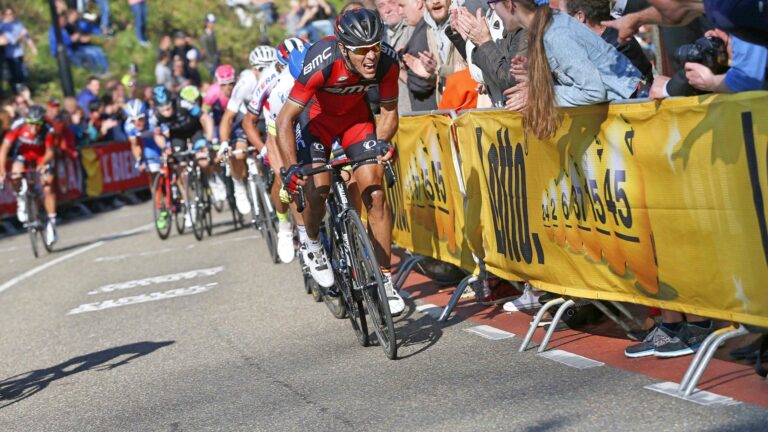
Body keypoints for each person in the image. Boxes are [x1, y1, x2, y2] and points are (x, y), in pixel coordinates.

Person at [276, 8, 405, 315]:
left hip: (354, 122)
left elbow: (389, 112)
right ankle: (312, 243)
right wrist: (291, 168)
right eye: (361, 50)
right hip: (316, 122)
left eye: (375, 47)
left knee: (375, 194)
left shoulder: (388, 61)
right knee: (318, 189)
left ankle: (385, 281)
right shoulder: (323, 60)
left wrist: (382, 142)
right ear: (344, 49)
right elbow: (284, 120)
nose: (370, 56)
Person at [503, 0, 641, 140]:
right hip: (622, 118)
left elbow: (593, 91)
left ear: (510, 4)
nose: (493, 8)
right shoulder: (548, 27)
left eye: (493, 2)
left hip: (635, 115)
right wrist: (537, 77)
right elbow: (574, 83)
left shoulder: (557, 33)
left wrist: (540, 94)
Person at [240, 38, 308, 264]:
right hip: (275, 125)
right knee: (284, 179)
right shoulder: (269, 78)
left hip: (303, 118)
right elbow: (248, 122)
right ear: (279, 65)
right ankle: (284, 226)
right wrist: (263, 151)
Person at [217, 45, 277, 215]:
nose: (267, 71)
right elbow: (228, 117)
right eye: (262, 68)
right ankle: (238, 184)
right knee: (239, 153)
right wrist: (224, 143)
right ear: (253, 70)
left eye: (271, 66)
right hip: (247, 118)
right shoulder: (245, 84)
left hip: (268, 118)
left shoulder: (279, 76)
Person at [151, 86, 215, 228]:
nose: (166, 109)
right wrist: (165, 148)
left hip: (194, 131)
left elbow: (205, 117)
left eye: (168, 104)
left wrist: (209, 140)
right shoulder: (155, 116)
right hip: (177, 136)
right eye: (162, 107)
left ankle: (212, 181)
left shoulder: (183, 104)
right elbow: (157, 135)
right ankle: (189, 205)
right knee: (181, 172)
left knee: (203, 160)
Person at [558, 0, 654, 88]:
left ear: (580, 17)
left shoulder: (619, 47)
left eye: (563, 17)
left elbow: (597, 90)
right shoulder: (593, 42)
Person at [0, 105, 58, 245]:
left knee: (47, 187)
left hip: (43, 157)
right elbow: (5, 148)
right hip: (24, 154)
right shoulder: (18, 126)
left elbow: (50, 152)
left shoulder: (48, 129)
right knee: (16, 173)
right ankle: (21, 200)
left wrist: (42, 163)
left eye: (37, 123)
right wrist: (1, 168)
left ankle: (52, 223)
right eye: (30, 122)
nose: (34, 127)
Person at [1, 7, 36, 94]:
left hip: (19, 53)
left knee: (23, 73)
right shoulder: (3, 26)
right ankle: (17, 93)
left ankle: (24, 92)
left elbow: (26, 36)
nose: (10, 16)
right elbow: (10, 41)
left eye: (11, 14)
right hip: (9, 55)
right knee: (14, 75)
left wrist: (32, 47)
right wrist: (21, 34)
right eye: (7, 14)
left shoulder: (17, 23)